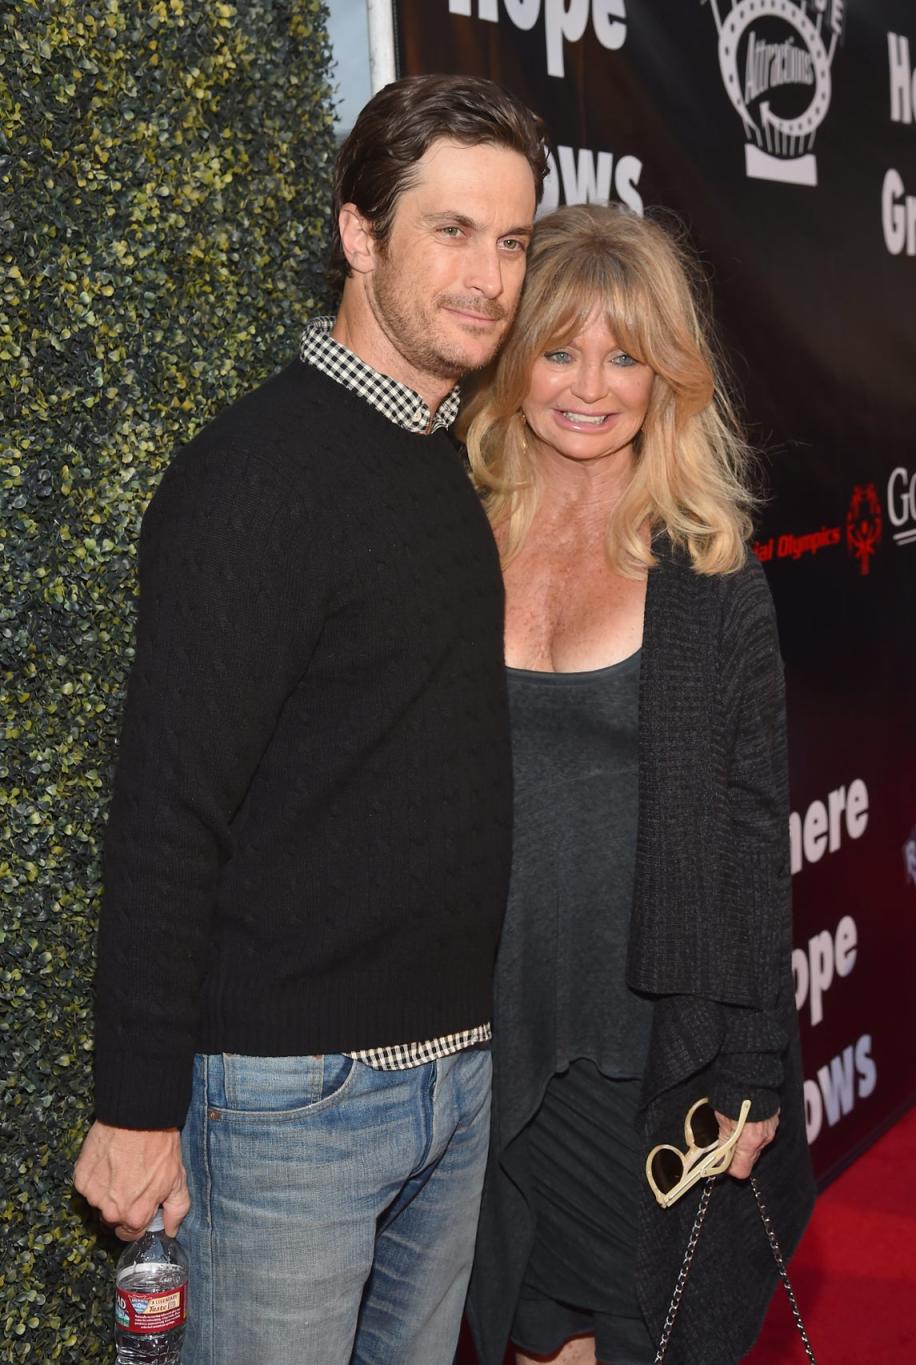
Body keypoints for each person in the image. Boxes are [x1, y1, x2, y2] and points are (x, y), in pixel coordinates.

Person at [73, 74, 547, 1365]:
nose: (488, 275)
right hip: (295, 1098)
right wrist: (136, 1105)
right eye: (451, 230)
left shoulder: (436, 458)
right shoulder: (257, 474)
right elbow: (169, 805)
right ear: (358, 233)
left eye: (511, 241)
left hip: (453, 1071)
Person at [462, 203, 816, 1365]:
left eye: (624, 355)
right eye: (560, 349)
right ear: (514, 358)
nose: (590, 385)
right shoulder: (454, 538)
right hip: (493, 1035)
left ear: (667, 371)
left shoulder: (708, 567)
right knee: (526, 1331)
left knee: (638, 1330)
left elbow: (753, 829)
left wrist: (756, 1069)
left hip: (657, 1051)